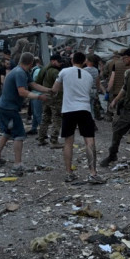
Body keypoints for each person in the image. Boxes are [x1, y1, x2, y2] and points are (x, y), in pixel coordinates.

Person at [0, 52, 50, 176]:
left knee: (7, 132)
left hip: (4, 106)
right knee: (19, 134)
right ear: (31, 63)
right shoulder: (19, 73)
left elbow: (33, 84)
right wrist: (39, 97)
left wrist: (49, 90)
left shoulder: (21, 71)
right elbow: (22, 92)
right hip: (9, 108)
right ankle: (17, 164)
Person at [51, 52, 104, 184]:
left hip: (69, 109)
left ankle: (69, 173)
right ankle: (93, 173)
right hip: (85, 109)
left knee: (68, 142)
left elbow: (54, 89)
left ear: (72, 59)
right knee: (90, 141)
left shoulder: (64, 71)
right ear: (84, 61)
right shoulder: (88, 75)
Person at [36, 54, 64, 147]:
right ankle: (54, 140)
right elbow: (60, 84)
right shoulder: (55, 72)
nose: (60, 63)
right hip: (55, 98)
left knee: (45, 118)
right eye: (58, 61)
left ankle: (41, 138)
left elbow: (37, 82)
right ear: (53, 61)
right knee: (57, 118)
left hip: (45, 96)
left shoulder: (43, 69)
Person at [84, 53, 106, 120]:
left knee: (86, 108)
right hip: (94, 90)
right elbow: (97, 82)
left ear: (88, 61)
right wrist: (97, 90)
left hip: (87, 90)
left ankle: (88, 122)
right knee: (91, 106)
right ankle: (92, 120)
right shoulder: (96, 70)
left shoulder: (84, 70)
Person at [28, 57, 43, 135]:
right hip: (35, 93)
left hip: (37, 94)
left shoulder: (36, 70)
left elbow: (35, 82)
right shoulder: (35, 70)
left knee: (37, 113)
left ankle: (43, 132)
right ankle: (34, 128)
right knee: (35, 113)